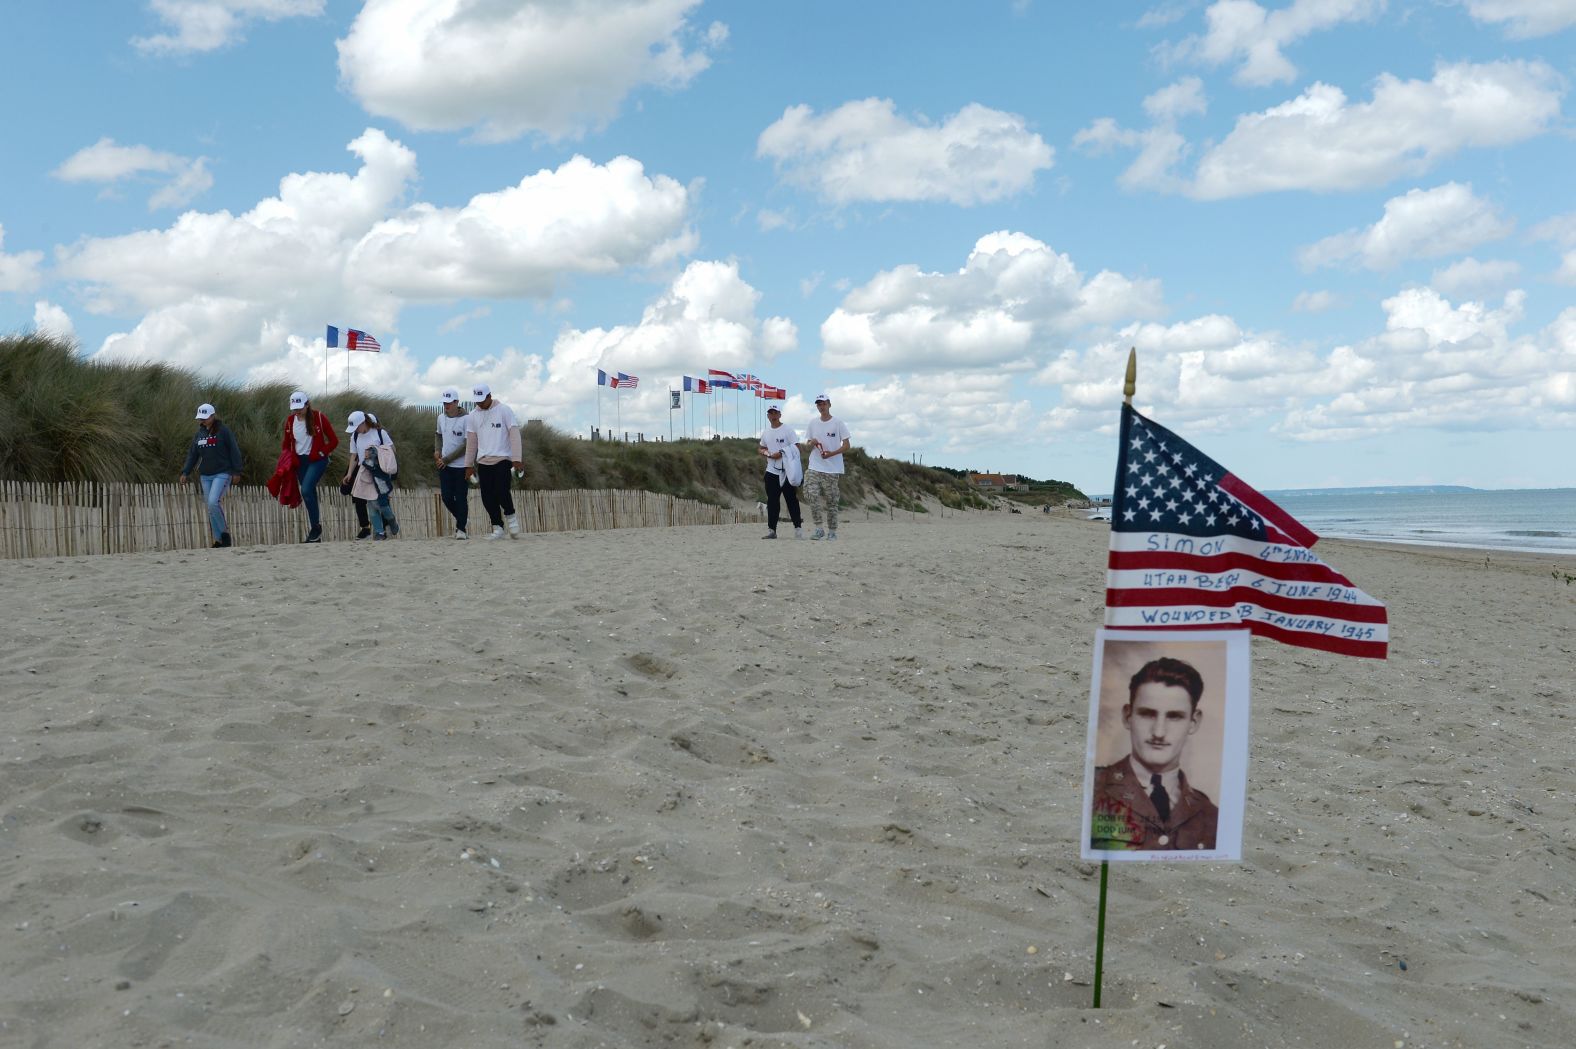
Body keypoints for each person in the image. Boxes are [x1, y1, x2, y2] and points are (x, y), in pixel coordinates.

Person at [1089, 657, 1219, 852]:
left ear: (1194, 722)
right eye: (1147, 714)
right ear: (1127, 716)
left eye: (1174, 716)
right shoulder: (1092, 789)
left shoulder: (1210, 816)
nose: (1158, 732)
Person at [177, 402, 243, 548]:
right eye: (200, 418)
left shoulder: (224, 431)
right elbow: (193, 454)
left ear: (213, 416)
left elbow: (234, 450)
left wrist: (237, 471)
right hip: (205, 475)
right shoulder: (199, 434)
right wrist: (185, 471)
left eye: (205, 417)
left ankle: (225, 535)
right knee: (211, 506)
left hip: (222, 473)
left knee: (213, 502)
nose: (202, 420)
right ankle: (218, 540)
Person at [463, 383, 524, 540]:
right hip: (483, 462)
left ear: (489, 396)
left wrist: (517, 459)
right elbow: (471, 442)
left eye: (482, 400)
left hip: (503, 459)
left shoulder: (504, 410)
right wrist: (468, 465)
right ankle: (498, 527)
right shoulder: (472, 416)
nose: (479, 403)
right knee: (487, 497)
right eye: (477, 400)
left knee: (502, 491)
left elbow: (514, 435)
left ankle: (511, 519)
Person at [281, 391, 338, 543]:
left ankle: (316, 528)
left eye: (300, 407)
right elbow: (286, 443)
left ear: (307, 404)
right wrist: (286, 459)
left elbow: (333, 440)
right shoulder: (289, 421)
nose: (297, 411)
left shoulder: (319, 417)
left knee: (305, 489)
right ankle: (315, 531)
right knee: (309, 493)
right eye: (294, 408)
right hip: (300, 462)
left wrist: (321, 452)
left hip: (317, 460)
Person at [801, 393, 851, 541]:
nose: (821, 407)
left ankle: (832, 531)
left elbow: (847, 445)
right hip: (815, 465)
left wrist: (831, 454)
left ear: (829, 404)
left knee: (832, 501)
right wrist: (812, 443)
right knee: (811, 493)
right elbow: (807, 445)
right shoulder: (813, 423)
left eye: (823, 404)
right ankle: (818, 528)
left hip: (832, 468)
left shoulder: (838, 423)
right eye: (818, 404)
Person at [343, 411, 400, 540]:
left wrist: (376, 451)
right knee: (371, 503)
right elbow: (354, 456)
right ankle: (379, 532)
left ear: (363, 422)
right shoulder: (355, 436)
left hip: (380, 473)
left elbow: (392, 450)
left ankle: (391, 520)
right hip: (364, 472)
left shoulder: (380, 433)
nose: (356, 430)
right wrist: (350, 474)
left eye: (357, 427)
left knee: (382, 503)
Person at [757, 403, 802, 539]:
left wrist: (781, 453)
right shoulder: (766, 432)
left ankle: (798, 529)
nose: (773, 416)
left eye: (775, 413)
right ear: (768, 416)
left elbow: (797, 447)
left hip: (788, 470)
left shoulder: (788, 430)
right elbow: (760, 448)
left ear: (780, 415)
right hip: (771, 471)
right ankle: (772, 530)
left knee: (791, 500)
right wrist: (767, 453)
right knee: (772, 501)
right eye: (770, 413)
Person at [434, 387, 470, 539]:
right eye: (444, 403)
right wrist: (437, 450)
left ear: (456, 402)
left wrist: (447, 459)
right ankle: (462, 518)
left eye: (449, 403)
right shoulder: (441, 418)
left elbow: (467, 444)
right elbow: (438, 435)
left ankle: (461, 529)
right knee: (446, 497)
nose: (446, 406)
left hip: (461, 466)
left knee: (461, 497)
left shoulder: (467, 419)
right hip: (445, 466)